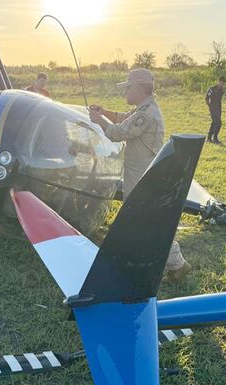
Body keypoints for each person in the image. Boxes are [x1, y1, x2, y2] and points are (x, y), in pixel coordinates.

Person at [88, 68, 192, 281]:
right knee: (144, 220)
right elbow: (123, 119)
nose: (124, 92)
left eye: (127, 87)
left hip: (144, 178)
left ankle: (175, 264)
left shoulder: (146, 113)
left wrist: (99, 120)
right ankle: (163, 263)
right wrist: (104, 112)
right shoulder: (143, 109)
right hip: (140, 175)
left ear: (138, 88)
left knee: (147, 221)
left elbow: (119, 132)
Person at [206, 75, 226, 144]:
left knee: (214, 122)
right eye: (222, 82)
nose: (223, 84)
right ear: (219, 81)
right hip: (212, 108)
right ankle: (215, 138)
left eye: (224, 83)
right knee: (219, 122)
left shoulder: (222, 90)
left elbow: (223, 96)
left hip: (218, 108)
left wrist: (222, 90)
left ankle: (209, 138)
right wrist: (209, 105)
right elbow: (207, 97)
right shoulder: (212, 89)